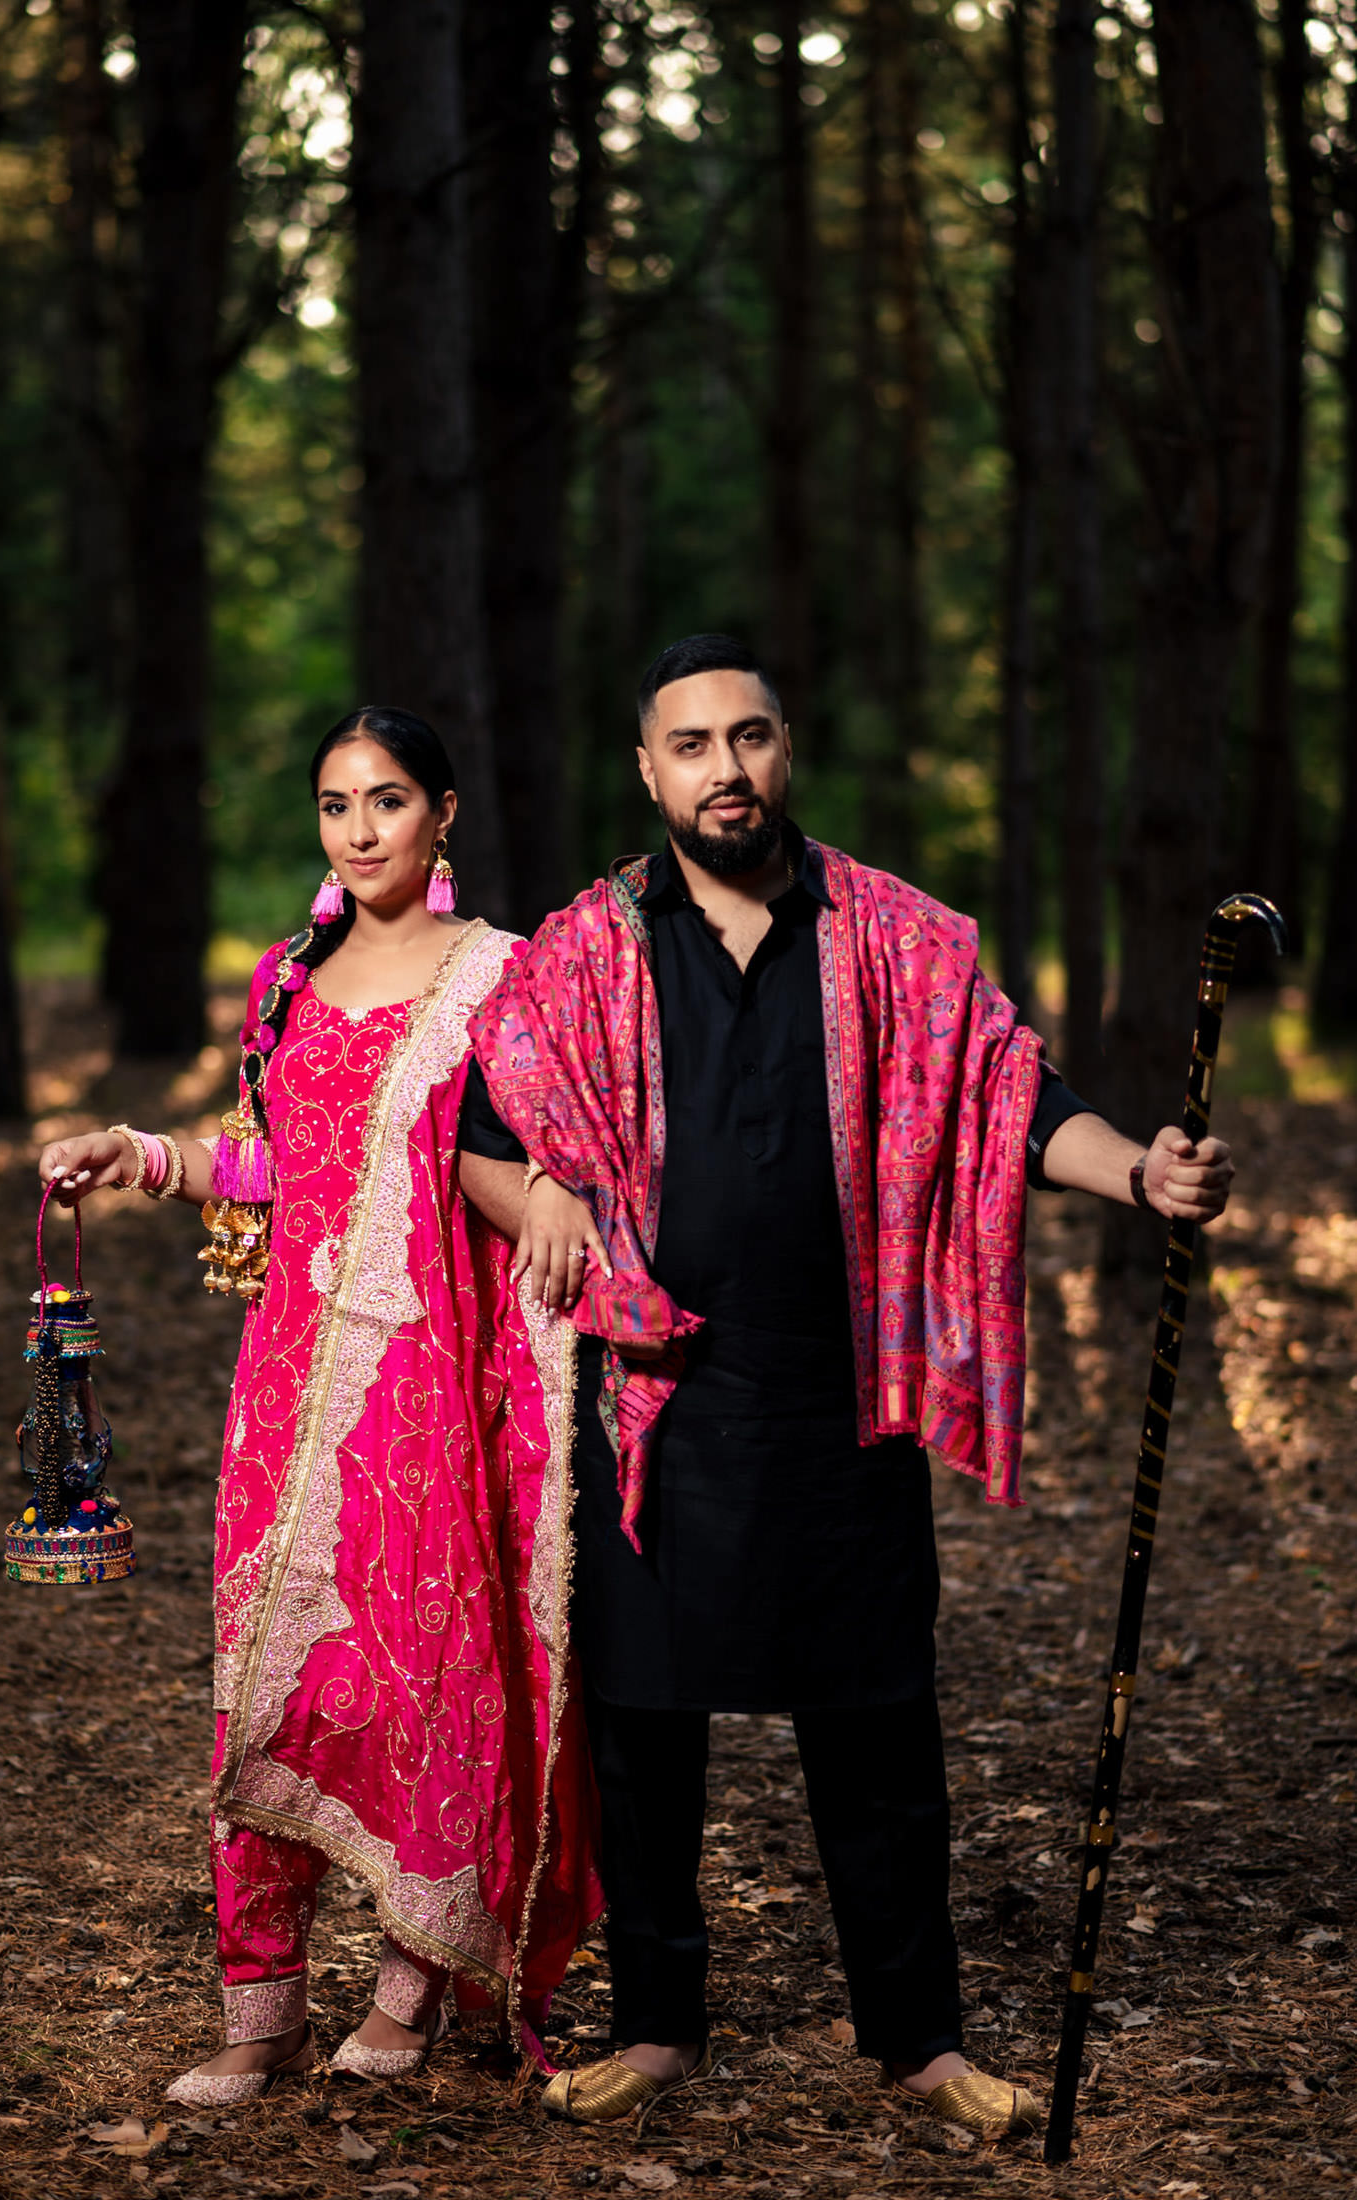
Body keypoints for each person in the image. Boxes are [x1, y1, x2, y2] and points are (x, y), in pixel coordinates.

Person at [458, 635, 1234, 2139]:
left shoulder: (894, 938)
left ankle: (919, 2041)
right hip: (652, 1403)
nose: (725, 770)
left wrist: (1139, 1172)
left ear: (785, 750)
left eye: (749, 738)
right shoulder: (583, 950)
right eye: (692, 745)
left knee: (877, 1729)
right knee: (643, 1731)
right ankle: (660, 2023)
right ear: (648, 771)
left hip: (840, 1391)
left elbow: (1017, 1099)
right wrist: (535, 1199)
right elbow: (486, 1132)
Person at [38, 707, 601, 2108]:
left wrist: (564, 1202)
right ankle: (262, 2011)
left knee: (425, 1675)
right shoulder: (289, 976)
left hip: (435, 1377)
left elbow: (557, 1156)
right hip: (288, 1381)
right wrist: (139, 1153)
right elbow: (271, 1167)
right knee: (268, 1680)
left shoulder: (503, 978)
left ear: (445, 814)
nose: (360, 830)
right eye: (336, 804)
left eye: (389, 800)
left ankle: (414, 1983)